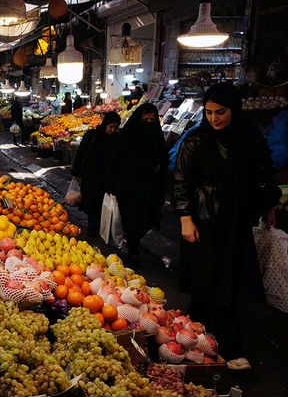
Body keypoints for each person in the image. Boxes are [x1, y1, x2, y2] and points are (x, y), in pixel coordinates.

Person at [172, 83, 281, 369]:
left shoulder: (250, 138)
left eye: (220, 112)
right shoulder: (195, 140)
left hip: (236, 221)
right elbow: (181, 181)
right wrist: (185, 217)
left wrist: (269, 204)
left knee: (229, 282)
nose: (214, 118)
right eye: (208, 112)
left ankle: (208, 342)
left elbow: (264, 172)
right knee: (204, 281)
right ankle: (204, 342)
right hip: (203, 221)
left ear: (234, 109)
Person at [106, 103, 168, 265]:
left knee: (147, 219)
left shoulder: (156, 136)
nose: (149, 124)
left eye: (152, 120)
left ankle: (135, 244)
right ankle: (133, 251)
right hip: (129, 187)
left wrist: (159, 167)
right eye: (145, 120)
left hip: (149, 188)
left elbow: (163, 158)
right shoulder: (126, 137)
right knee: (132, 220)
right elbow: (116, 161)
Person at [71, 112, 121, 235]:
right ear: (105, 124)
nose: (112, 130)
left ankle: (102, 227)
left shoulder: (116, 139)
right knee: (92, 201)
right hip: (91, 175)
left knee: (104, 201)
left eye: (115, 127)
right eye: (110, 127)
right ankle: (93, 227)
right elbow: (81, 153)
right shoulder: (92, 135)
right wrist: (75, 171)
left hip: (107, 176)